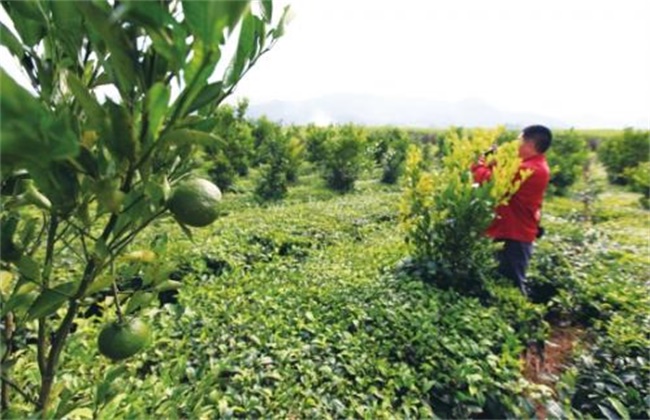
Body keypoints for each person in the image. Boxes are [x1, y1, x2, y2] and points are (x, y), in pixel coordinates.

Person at [471, 125, 552, 296]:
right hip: (507, 230)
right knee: (498, 280)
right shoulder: (530, 163)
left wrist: (477, 163)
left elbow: (489, 179)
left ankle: (518, 319)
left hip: (514, 234)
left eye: (518, 139)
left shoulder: (530, 169)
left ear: (528, 143)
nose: (515, 143)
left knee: (512, 285)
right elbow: (500, 169)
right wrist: (493, 158)